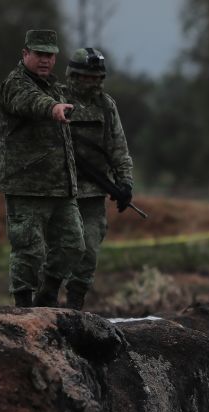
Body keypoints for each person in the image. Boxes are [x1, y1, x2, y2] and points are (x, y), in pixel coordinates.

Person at [0, 29, 84, 307]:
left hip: (61, 186)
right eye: (39, 54)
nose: (45, 60)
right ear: (26, 54)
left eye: (50, 55)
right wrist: (53, 108)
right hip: (26, 186)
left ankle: (47, 297)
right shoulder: (14, 84)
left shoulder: (56, 88)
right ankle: (22, 307)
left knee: (74, 246)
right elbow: (31, 101)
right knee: (28, 251)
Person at [61, 47, 135, 310]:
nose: (92, 83)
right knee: (56, 252)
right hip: (59, 191)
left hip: (93, 192)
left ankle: (74, 307)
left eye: (96, 78)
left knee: (89, 251)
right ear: (74, 75)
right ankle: (40, 307)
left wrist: (125, 184)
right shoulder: (56, 99)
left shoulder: (106, 106)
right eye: (86, 77)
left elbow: (118, 148)